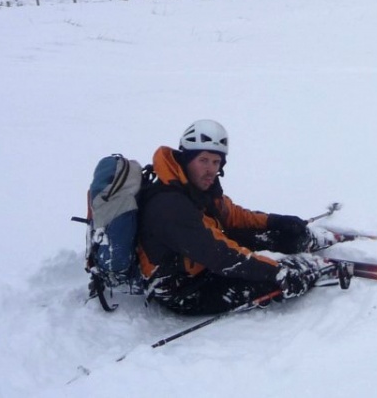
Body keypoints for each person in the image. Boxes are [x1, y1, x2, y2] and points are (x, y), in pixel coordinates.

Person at [137, 119, 328, 315]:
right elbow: (219, 254)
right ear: (186, 160)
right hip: (184, 288)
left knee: (283, 236)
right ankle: (313, 266)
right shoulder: (169, 206)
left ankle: (305, 241)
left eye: (216, 161)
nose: (210, 169)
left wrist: (274, 221)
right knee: (277, 276)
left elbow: (232, 215)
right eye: (203, 160)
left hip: (203, 260)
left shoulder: (196, 186)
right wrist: (277, 272)